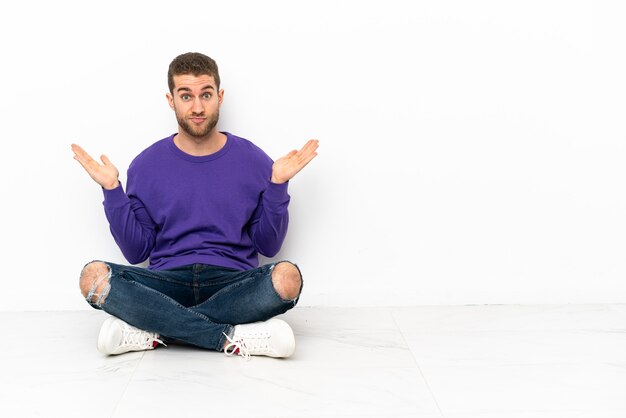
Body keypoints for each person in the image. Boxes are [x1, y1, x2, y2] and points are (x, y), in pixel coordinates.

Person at [71, 52, 318, 359]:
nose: (198, 107)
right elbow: (136, 252)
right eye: (186, 96)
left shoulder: (254, 161)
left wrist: (278, 184)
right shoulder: (146, 166)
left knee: (287, 278)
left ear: (220, 96)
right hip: (167, 282)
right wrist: (112, 190)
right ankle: (230, 337)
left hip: (232, 284)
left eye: (206, 95)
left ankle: (154, 327)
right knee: (92, 277)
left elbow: (269, 245)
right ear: (171, 100)